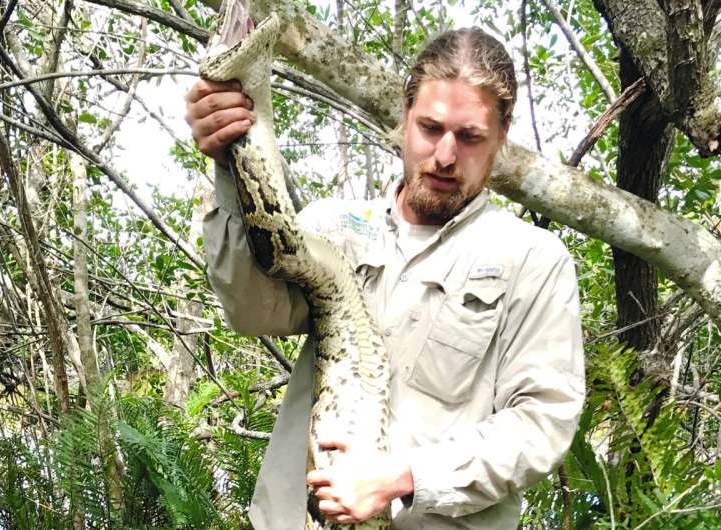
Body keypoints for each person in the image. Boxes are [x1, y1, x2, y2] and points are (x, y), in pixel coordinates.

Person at [185, 26, 585, 530]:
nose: (444, 155)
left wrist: (405, 475)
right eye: (430, 128)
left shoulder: (534, 260)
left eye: (468, 137)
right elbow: (251, 311)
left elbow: (541, 424)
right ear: (405, 115)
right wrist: (229, 162)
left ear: (501, 137)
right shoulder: (334, 228)